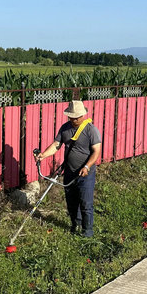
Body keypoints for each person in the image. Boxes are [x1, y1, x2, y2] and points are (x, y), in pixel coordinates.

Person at [35, 100, 101, 237]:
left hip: (85, 173)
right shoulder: (65, 128)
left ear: (82, 116)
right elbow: (56, 145)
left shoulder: (91, 130)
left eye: (75, 117)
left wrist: (87, 166)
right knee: (71, 202)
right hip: (69, 172)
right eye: (71, 117)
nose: (73, 119)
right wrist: (43, 155)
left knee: (85, 203)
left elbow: (96, 151)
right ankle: (75, 225)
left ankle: (87, 232)